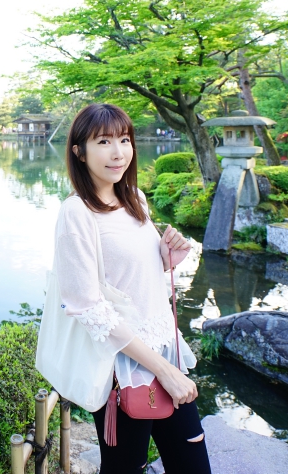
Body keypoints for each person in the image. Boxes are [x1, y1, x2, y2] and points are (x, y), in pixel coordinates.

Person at [53, 103, 210, 474]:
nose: (118, 151)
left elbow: (138, 279)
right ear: (79, 151)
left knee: (191, 460)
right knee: (126, 466)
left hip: (164, 348)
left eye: (124, 139)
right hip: (122, 367)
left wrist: (168, 259)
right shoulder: (77, 213)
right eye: (104, 141)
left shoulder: (134, 198)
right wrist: (165, 372)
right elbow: (87, 307)